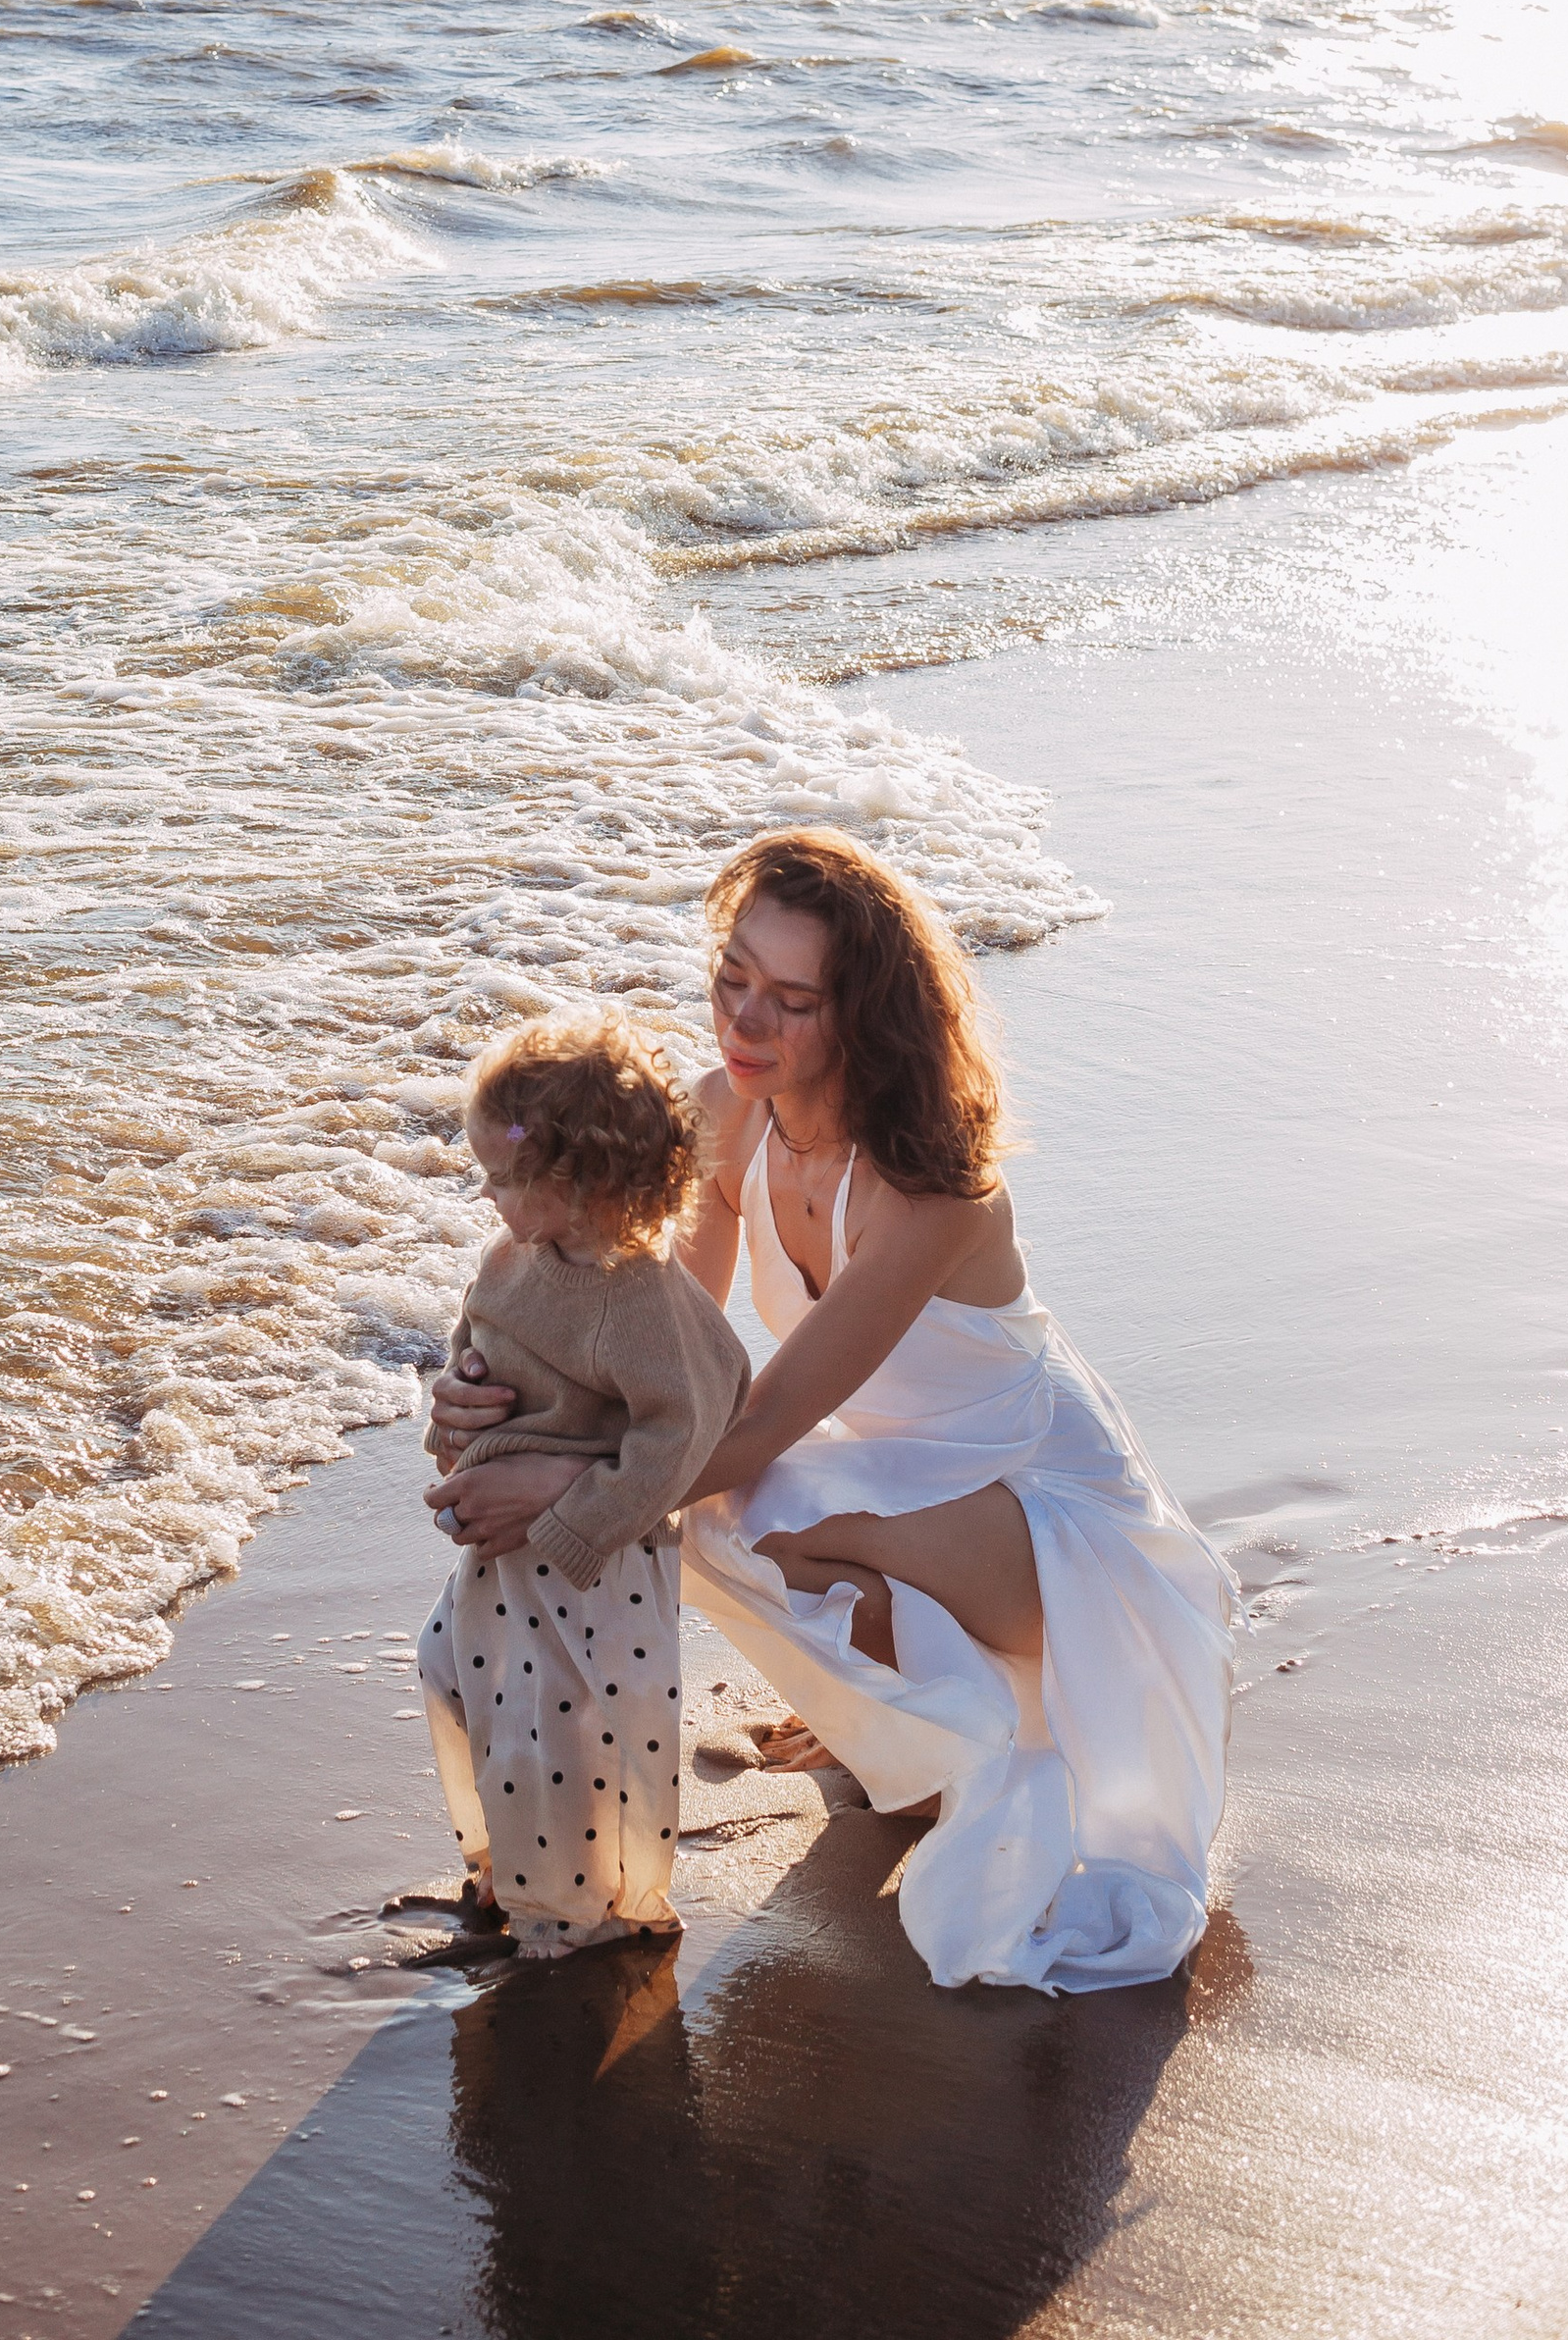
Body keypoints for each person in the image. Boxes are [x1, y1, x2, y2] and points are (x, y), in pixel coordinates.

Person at [426, 830, 1237, 1995]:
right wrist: (482, 1395)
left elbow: (752, 1426)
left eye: (792, 1001)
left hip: (1056, 1529)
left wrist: (564, 1487)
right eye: (732, 978)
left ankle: (935, 1735)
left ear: (863, 1016)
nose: (743, 1023)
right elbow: (652, 1350)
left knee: (740, 1504)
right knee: (700, 1504)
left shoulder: (933, 1190)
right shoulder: (723, 1115)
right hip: (906, 1487)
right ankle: (887, 1734)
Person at [416, 1014, 752, 1958]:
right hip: (502, 1557)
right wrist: (457, 1412)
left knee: (564, 1741)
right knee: (454, 1677)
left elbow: (691, 1417)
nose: (485, 1193)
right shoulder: (511, 1261)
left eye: (500, 1177)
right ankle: (506, 1861)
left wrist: (573, 1524)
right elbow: (469, 1361)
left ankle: (572, 1913)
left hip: (593, 1564)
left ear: (574, 1186)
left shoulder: (639, 1296)